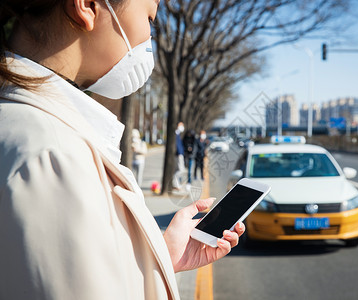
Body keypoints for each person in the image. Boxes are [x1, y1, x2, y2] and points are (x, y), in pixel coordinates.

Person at [0, 1, 244, 299]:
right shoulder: (56, 156)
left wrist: (161, 257)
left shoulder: (30, 130)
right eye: (150, 19)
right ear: (88, 6)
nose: (149, 38)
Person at [173, 121, 185, 190]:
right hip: (178, 154)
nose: (182, 127)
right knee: (180, 170)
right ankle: (175, 182)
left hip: (180, 154)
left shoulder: (178, 134)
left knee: (179, 170)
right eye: (181, 125)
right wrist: (179, 153)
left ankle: (176, 184)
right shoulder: (175, 134)